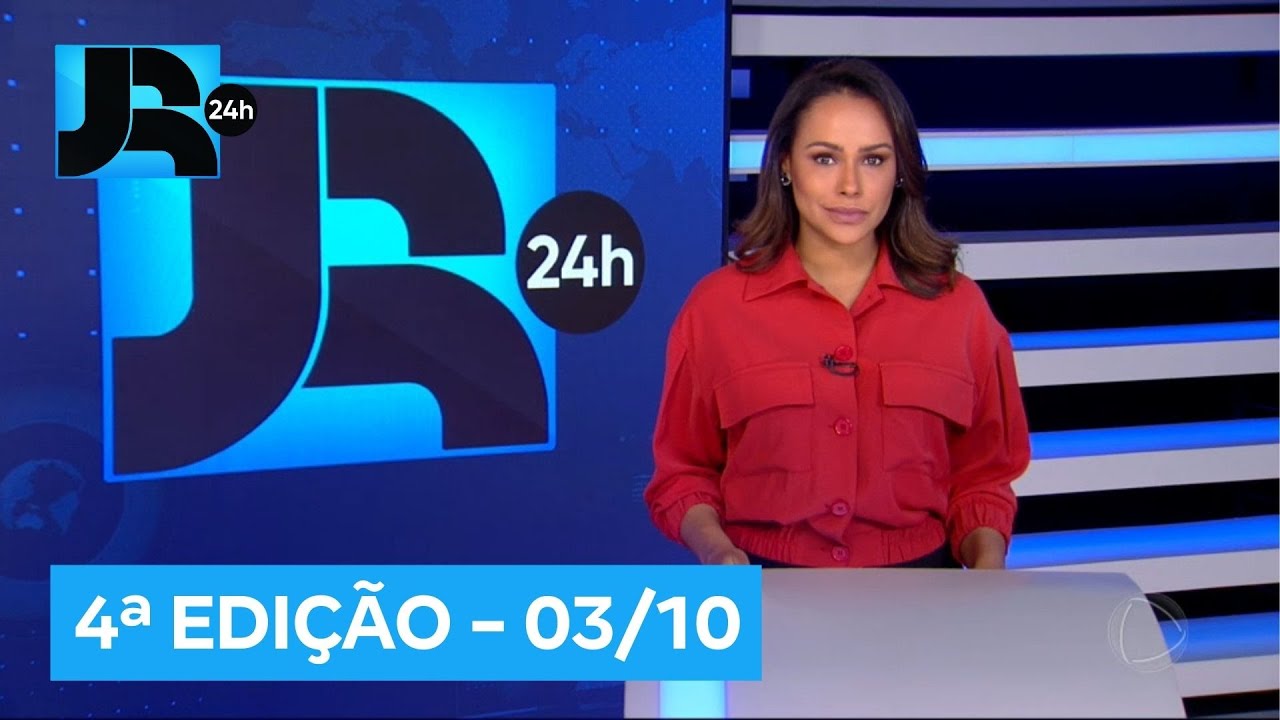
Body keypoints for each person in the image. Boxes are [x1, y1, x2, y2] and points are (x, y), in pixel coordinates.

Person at [643, 58, 1032, 570]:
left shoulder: (961, 309)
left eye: (873, 160)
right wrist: (718, 553)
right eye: (825, 158)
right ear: (785, 165)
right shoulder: (715, 308)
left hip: (922, 591)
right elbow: (683, 475)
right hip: (761, 582)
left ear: (900, 172)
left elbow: (982, 478)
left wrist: (986, 568)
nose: (851, 186)